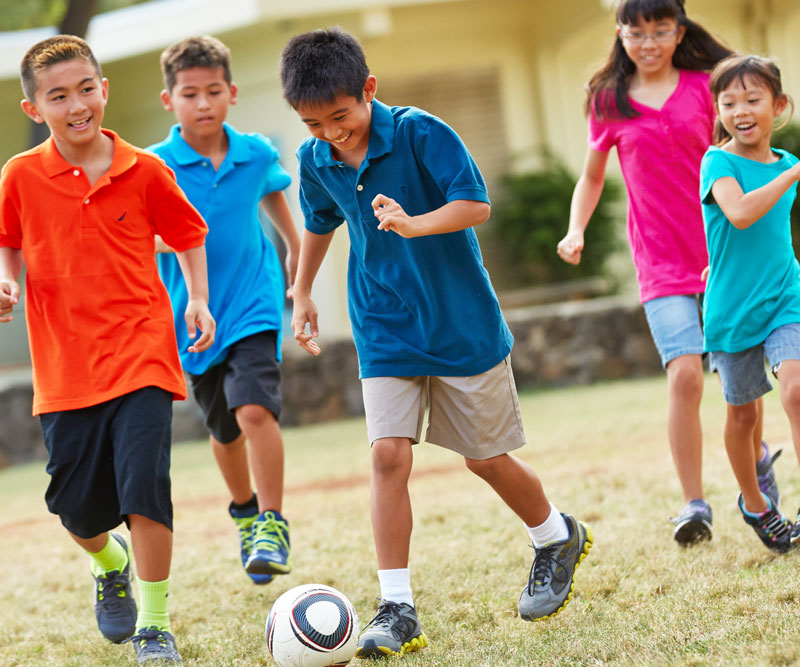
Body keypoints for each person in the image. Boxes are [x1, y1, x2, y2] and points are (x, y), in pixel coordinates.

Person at [279, 27, 592, 659]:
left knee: (486, 459)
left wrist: (415, 224)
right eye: (313, 124)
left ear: (369, 90)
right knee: (387, 455)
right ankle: (397, 607)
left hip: (459, 321)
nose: (332, 134)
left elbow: (474, 205)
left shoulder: (422, 133)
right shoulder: (315, 158)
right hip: (383, 322)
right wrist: (302, 289)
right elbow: (319, 221)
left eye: (340, 117)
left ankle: (556, 535)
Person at [0, 35, 215, 664]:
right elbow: (7, 240)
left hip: (142, 351)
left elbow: (187, 233)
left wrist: (198, 299)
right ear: (34, 108)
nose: (77, 106)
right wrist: (7, 279)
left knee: (146, 486)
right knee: (77, 511)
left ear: (104, 90)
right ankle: (108, 560)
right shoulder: (19, 175)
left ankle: (155, 626)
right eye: (58, 96)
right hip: (64, 368)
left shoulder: (144, 169)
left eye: (86, 89)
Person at [556, 0, 779, 546]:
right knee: (684, 374)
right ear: (620, 34)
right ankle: (693, 504)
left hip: (724, 255)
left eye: (660, 31)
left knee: (739, 383)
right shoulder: (607, 101)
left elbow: (744, 149)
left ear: (679, 33)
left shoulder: (707, 87)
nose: (648, 43)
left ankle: (756, 463)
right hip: (658, 258)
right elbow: (592, 176)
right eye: (637, 32)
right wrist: (576, 228)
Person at [149, 35, 300, 586]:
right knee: (225, 428)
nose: (203, 103)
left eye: (214, 91)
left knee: (254, 410)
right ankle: (245, 511)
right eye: (190, 94)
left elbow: (275, 196)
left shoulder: (255, 152)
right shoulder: (153, 166)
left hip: (254, 301)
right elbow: (137, 234)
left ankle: (273, 523)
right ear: (169, 100)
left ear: (232, 93)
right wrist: (172, 242)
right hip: (191, 317)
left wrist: (297, 259)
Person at [700, 54, 800, 552]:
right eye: (728, 102)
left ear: (778, 106)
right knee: (743, 417)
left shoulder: (785, 163)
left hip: (786, 296)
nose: (740, 110)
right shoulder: (717, 162)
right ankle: (756, 504)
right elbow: (739, 213)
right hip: (733, 309)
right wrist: (792, 174)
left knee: (797, 390)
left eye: (752, 99)